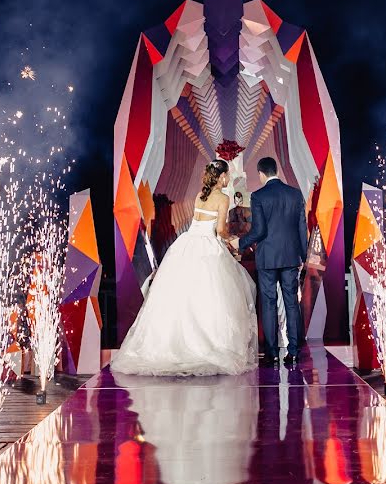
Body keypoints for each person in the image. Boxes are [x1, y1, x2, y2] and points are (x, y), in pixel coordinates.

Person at [112, 159, 258, 376]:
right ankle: (209, 345)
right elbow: (219, 229)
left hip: (187, 244)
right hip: (208, 247)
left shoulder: (201, 195)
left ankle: (175, 345)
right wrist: (233, 238)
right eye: (227, 175)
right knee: (211, 295)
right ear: (222, 177)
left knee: (183, 295)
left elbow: (198, 222)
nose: (228, 178)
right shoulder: (222, 198)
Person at [230, 157, 307, 367]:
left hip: (268, 258)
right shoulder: (295, 194)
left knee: (269, 304)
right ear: (277, 171)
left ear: (261, 174)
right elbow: (302, 229)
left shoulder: (259, 196)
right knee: (292, 304)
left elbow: (259, 230)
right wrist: (304, 256)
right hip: (291, 257)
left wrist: (241, 243)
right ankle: (293, 352)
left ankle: (272, 353)